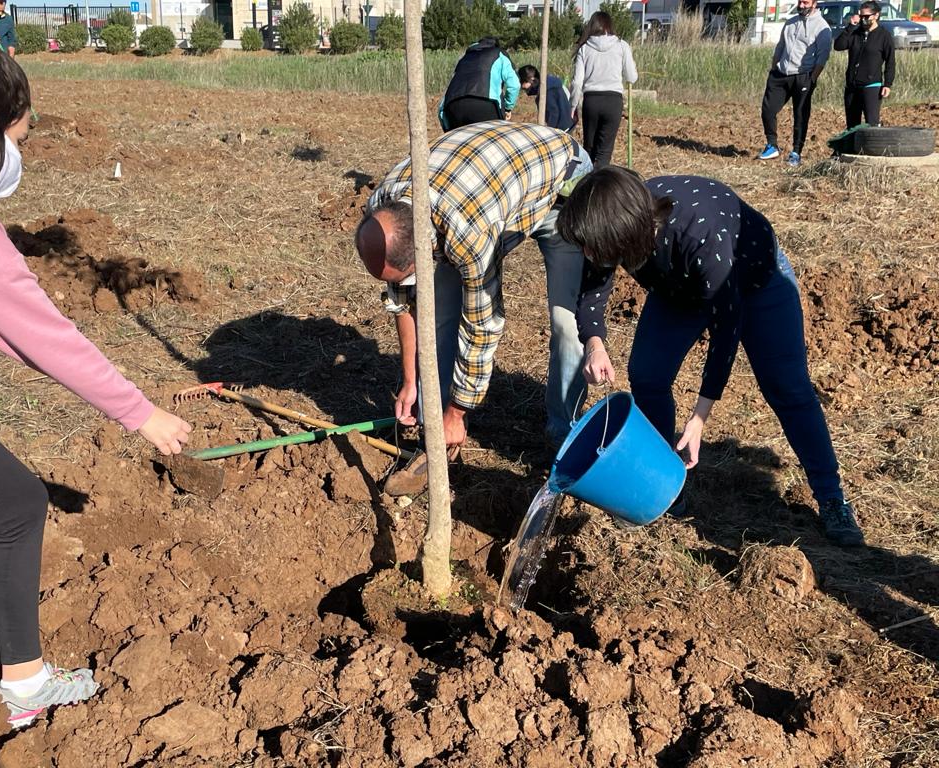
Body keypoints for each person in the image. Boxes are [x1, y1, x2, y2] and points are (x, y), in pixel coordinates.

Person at [0, 39, 192, 728]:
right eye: (18, 138)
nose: (20, 159)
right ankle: (26, 685)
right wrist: (143, 414)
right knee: (16, 506)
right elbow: (49, 343)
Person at [556, 167, 865, 547]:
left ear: (624, 232)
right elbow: (593, 287)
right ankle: (662, 483)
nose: (588, 253)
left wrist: (699, 418)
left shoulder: (698, 233)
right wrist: (595, 343)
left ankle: (832, 497)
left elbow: (726, 331)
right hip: (679, 289)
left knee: (788, 389)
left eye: (592, 246)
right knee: (648, 373)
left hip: (755, 282)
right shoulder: (614, 223)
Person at [355, 122, 591, 495]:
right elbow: (401, 299)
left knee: (567, 323)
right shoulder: (382, 208)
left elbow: (484, 325)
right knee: (442, 310)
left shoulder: (467, 230)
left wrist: (459, 413)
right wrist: (411, 381)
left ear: (425, 249)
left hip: (562, 187)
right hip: (488, 183)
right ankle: (438, 429)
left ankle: (565, 433)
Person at [759, 0, 832, 167]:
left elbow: (822, 57)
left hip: (803, 76)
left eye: (805, 2)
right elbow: (780, 47)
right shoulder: (790, 22)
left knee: (800, 115)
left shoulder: (822, 27)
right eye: (800, 2)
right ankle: (772, 145)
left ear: (814, 4)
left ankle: (796, 152)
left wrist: (812, 77)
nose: (801, 5)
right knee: (767, 110)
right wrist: (774, 67)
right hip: (781, 74)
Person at [569, 11, 638, 167]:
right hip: (613, 101)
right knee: (604, 152)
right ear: (609, 26)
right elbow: (631, 77)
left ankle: (586, 181)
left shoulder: (585, 48)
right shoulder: (622, 45)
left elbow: (577, 82)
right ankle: (600, 184)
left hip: (591, 101)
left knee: (589, 148)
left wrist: (573, 106)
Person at [834, 0, 895, 129]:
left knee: (871, 124)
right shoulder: (856, 34)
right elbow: (838, 46)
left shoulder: (884, 36)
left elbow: (890, 61)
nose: (863, 19)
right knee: (852, 126)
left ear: (876, 15)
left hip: (872, 85)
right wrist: (850, 27)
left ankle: (871, 149)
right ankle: (852, 149)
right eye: (861, 16)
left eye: (866, 16)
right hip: (852, 86)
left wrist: (888, 84)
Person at [438, 37, 519, 131]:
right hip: (485, 105)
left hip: (453, 107)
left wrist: (447, 127)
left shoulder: (463, 59)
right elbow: (514, 84)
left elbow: (445, 98)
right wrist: (508, 108)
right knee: (490, 144)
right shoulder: (499, 54)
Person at [517, 64, 575, 132]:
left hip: (561, 129)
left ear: (531, 79)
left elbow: (553, 114)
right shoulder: (550, 85)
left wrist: (549, 132)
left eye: (521, 82)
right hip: (566, 125)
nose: (521, 87)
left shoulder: (547, 91)